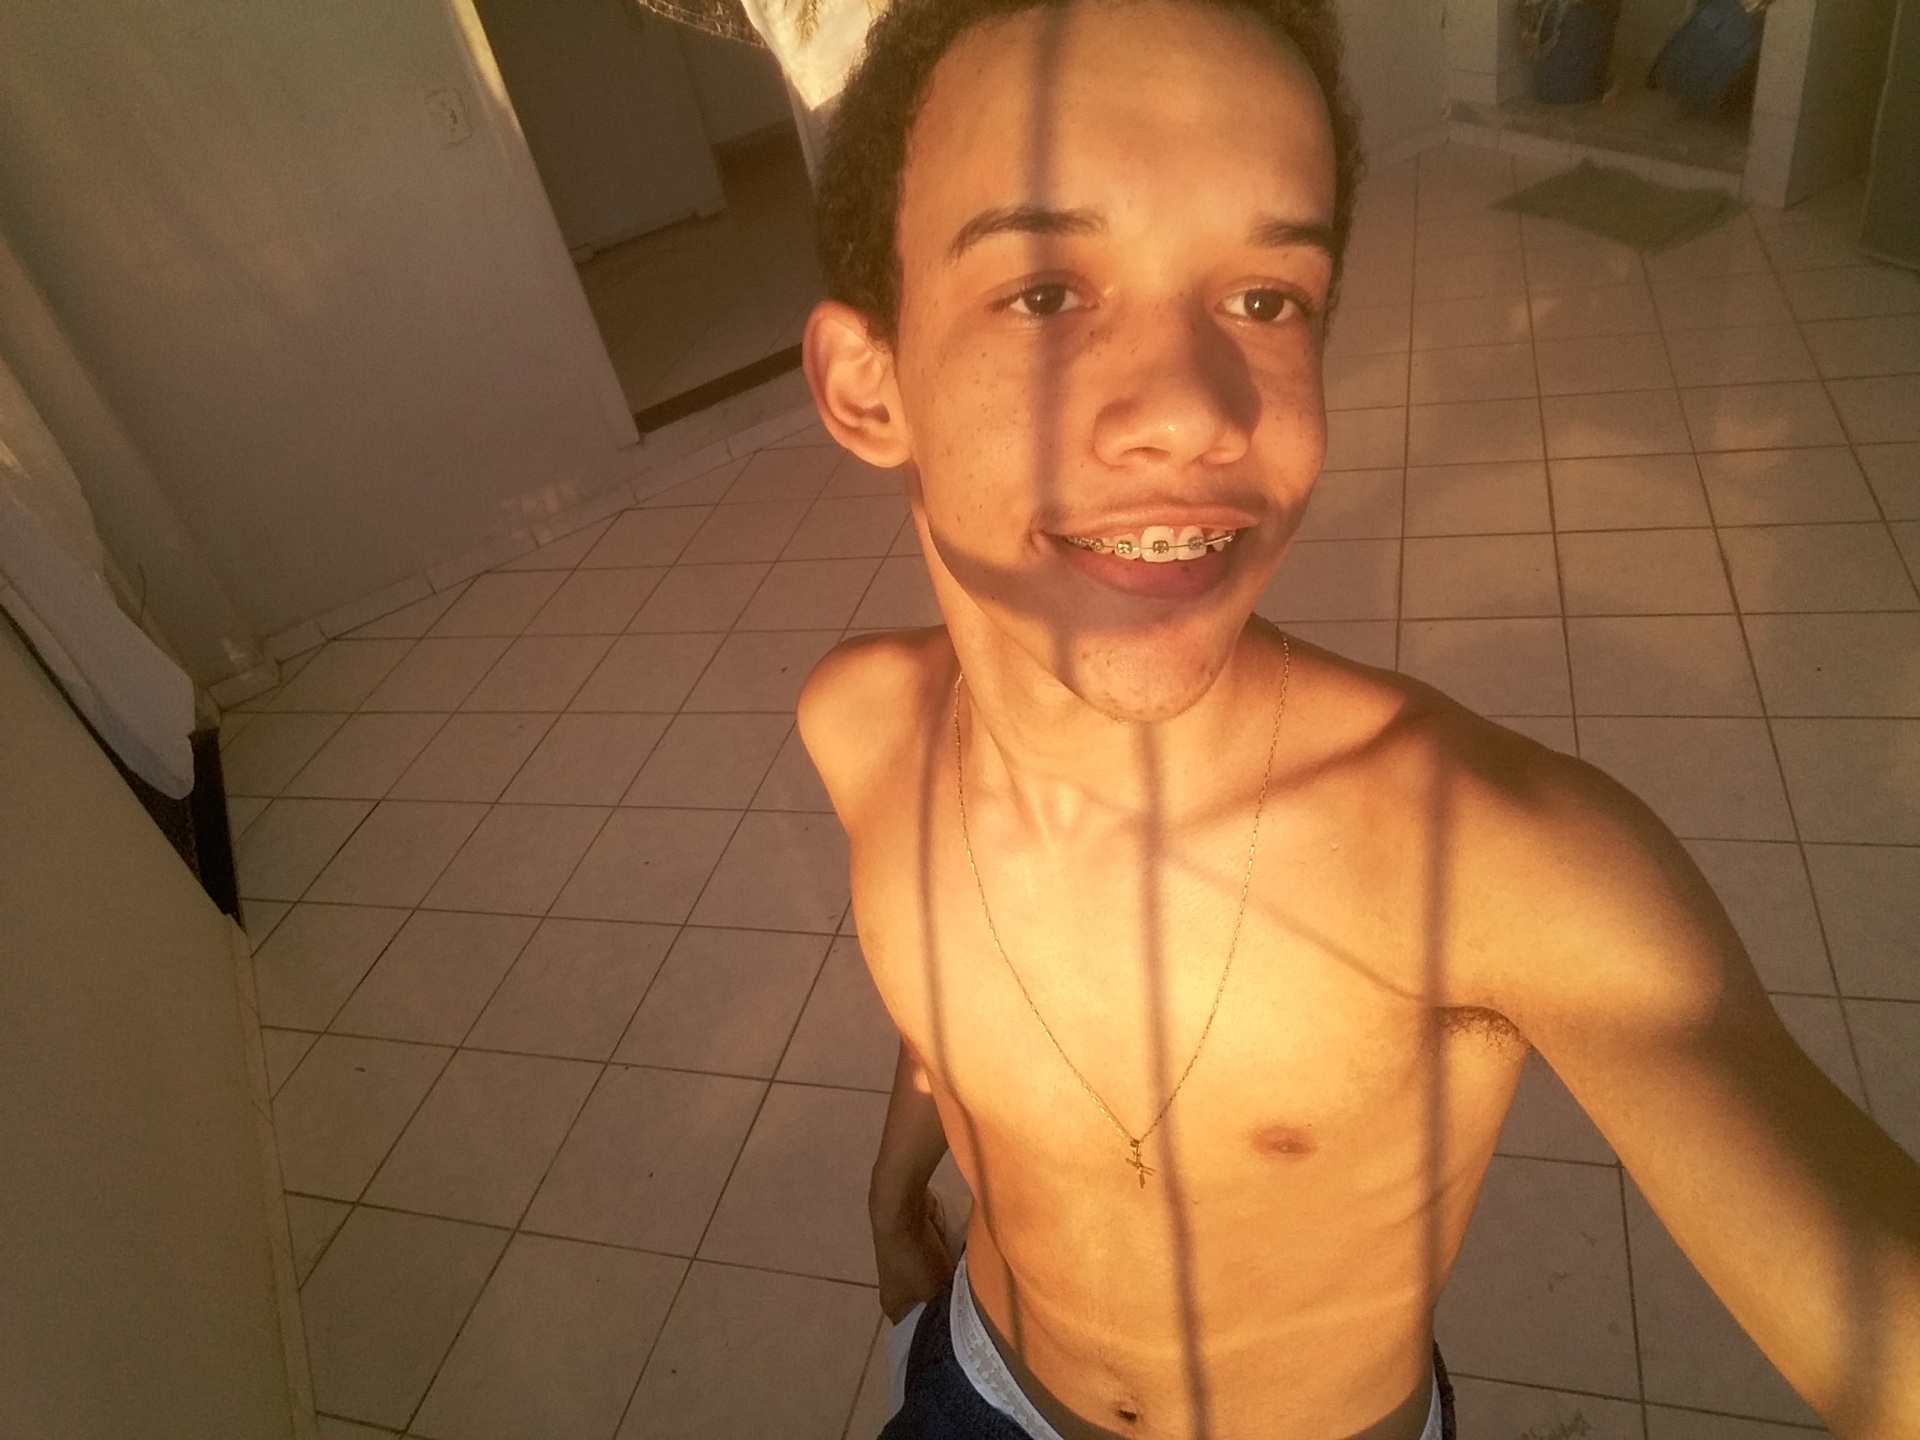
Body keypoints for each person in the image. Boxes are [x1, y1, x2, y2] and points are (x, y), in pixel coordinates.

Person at [792, 2, 1920, 1437]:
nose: (1196, 413)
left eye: (1267, 300)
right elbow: (944, 1010)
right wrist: (897, 1176)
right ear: (868, 386)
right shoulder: (865, 730)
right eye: (1048, 293)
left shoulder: (1488, 858)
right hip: (976, 1380)